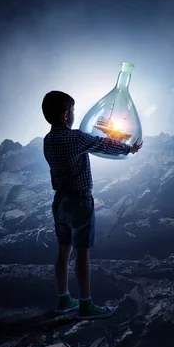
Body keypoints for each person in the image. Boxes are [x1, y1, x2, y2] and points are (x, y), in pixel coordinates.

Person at [41, 90, 143, 320]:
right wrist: (129, 148)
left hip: (59, 202)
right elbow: (104, 144)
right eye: (73, 111)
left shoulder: (48, 140)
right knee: (82, 254)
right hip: (79, 201)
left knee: (63, 251)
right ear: (67, 114)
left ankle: (63, 299)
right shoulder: (76, 138)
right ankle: (86, 305)